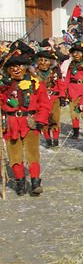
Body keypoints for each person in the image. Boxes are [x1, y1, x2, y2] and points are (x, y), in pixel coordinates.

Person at [2, 51, 50, 196]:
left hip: (30, 122)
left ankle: (35, 182)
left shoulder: (36, 83)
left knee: (32, 153)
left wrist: (40, 120)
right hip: (11, 123)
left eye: (19, 66)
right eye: (12, 67)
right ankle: (20, 182)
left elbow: (44, 104)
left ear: (26, 67)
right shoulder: (4, 86)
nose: (16, 69)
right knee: (14, 154)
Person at [32, 48, 64, 148]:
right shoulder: (34, 74)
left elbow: (60, 83)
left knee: (55, 119)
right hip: (41, 100)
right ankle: (47, 139)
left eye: (46, 60)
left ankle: (56, 139)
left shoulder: (54, 71)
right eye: (41, 60)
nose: (43, 63)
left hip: (54, 98)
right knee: (44, 119)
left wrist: (62, 96)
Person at [65, 41, 83, 139]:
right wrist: (66, 90)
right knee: (74, 111)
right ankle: (75, 131)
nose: (76, 54)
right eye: (74, 52)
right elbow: (67, 78)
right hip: (73, 89)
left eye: (78, 52)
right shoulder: (71, 65)